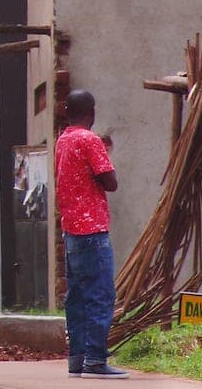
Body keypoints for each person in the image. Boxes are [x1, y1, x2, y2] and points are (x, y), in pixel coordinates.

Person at [57, 89, 127, 379]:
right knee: (101, 295)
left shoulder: (63, 140)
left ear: (66, 111)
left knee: (76, 297)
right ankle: (96, 360)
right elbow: (110, 183)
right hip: (93, 230)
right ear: (92, 112)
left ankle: (77, 359)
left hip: (71, 229)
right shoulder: (90, 140)